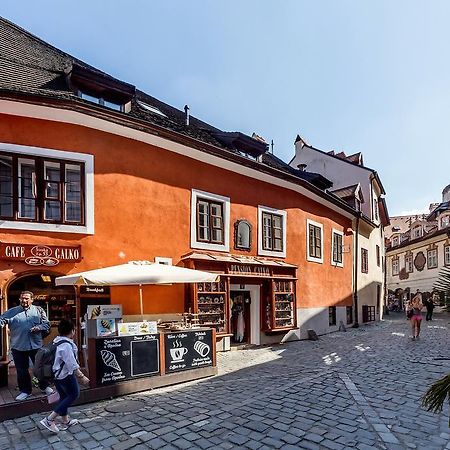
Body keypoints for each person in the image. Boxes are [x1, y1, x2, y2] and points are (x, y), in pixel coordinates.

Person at [0, 291, 53, 401]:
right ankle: (25, 391)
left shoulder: (38, 310)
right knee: (21, 370)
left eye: (26, 298)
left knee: (40, 368)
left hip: (36, 345)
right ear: (19, 299)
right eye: (22, 298)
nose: (24, 300)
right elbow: (1, 319)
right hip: (18, 345)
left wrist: (39, 328)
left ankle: (45, 386)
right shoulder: (12, 312)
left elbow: (47, 323)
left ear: (32, 300)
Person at [40, 319, 90, 433]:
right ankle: (49, 419)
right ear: (72, 331)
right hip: (65, 375)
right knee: (74, 394)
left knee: (63, 396)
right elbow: (71, 364)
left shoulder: (56, 341)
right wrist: (82, 376)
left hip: (56, 375)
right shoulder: (66, 345)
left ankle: (66, 420)